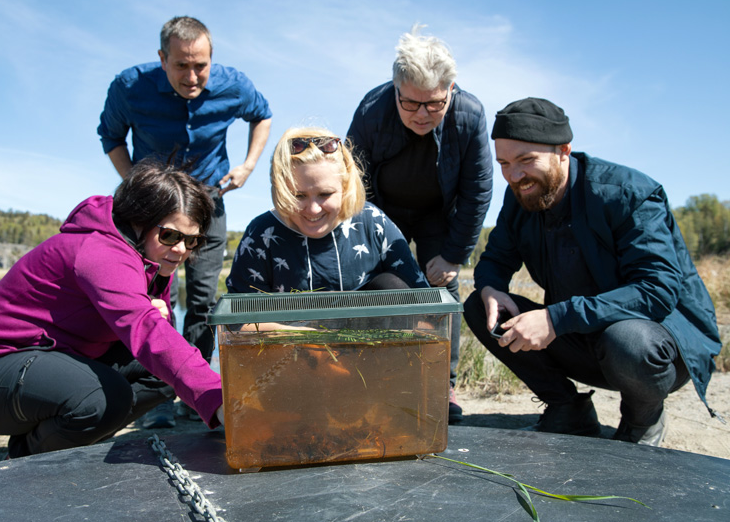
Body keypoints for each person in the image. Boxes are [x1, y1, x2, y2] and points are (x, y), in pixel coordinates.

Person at [463, 97, 722, 446]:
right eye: (505, 163)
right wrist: (491, 288)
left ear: (564, 151)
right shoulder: (520, 199)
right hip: (584, 338)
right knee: (480, 307)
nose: (514, 175)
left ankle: (641, 421)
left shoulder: (628, 194)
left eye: (526, 160)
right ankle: (568, 410)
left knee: (627, 341)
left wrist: (556, 319)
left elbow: (656, 290)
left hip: (655, 348)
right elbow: (495, 259)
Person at [0, 160, 224, 458]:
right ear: (139, 219)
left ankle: (48, 441)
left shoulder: (154, 260)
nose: (181, 249)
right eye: (170, 235)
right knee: (104, 399)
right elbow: (145, 328)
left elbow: (160, 341)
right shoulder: (101, 252)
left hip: (52, 359)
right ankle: (30, 459)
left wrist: (207, 391)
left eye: (192, 240)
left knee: (162, 375)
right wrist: (218, 399)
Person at [97, 16, 272, 427]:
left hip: (208, 205)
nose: (192, 76)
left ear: (212, 59)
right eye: (181, 66)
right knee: (150, 300)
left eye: (201, 65)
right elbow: (111, 137)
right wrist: (136, 186)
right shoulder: (129, 87)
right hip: (151, 211)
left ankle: (196, 396)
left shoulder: (234, 85)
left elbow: (262, 115)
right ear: (162, 59)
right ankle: (155, 397)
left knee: (202, 301)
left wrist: (248, 165)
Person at [346, 25, 493, 424]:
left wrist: (454, 255)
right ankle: (380, 379)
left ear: (450, 89)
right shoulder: (371, 109)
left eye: (435, 104)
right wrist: (373, 240)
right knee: (383, 288)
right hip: (381, 210)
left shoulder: (470, 114)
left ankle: (442, 386)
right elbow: (352, 181)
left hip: (437, 213)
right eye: (410, 104)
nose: (423, 114)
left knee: (442, 290)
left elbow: (478, 191)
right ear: (396, 88)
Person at [227, 127, 430, 302]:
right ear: (280, 190)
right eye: (299, 195)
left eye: (325, 194)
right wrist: (314, 340)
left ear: (345, 187)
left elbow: (423, 298)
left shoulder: (371, 220)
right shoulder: (262, 234)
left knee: (391, 284)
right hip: (289, 341)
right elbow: (239, 319)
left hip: (367, 341)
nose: (313, 209)